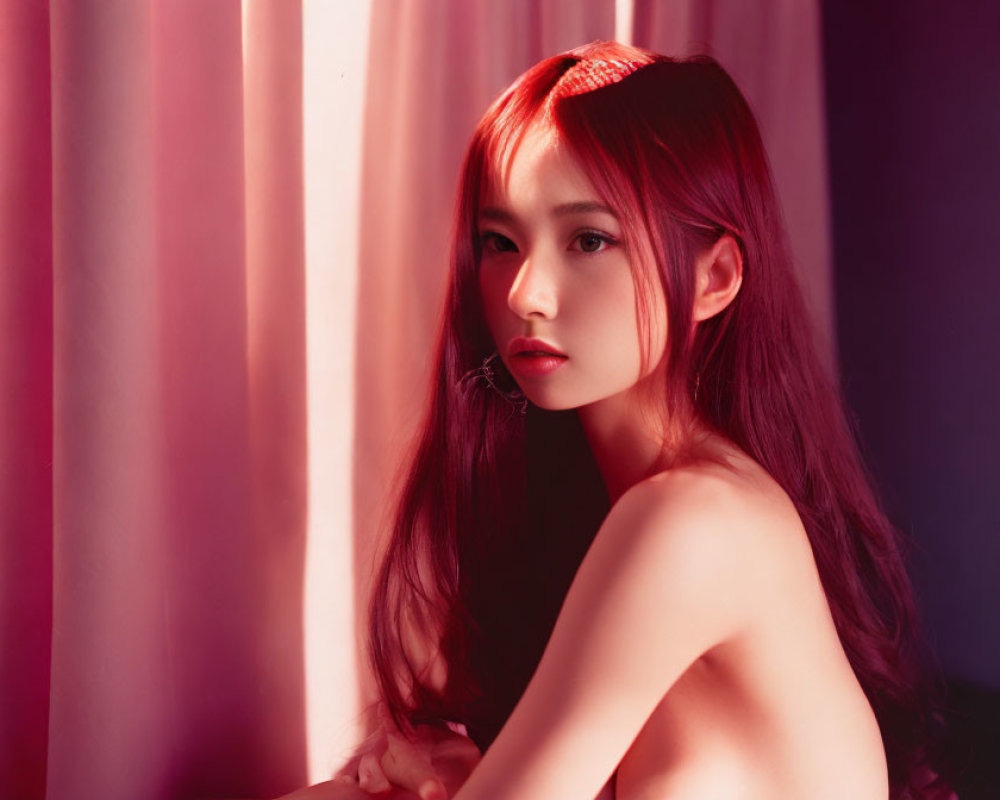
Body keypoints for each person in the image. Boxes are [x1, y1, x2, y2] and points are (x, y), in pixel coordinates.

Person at [282, 41, 951, 800]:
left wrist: (455, 775)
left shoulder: (693, 519)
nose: (525, 293)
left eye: (589, 240)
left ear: (716, 277)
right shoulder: (623, 511)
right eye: (500, 242)